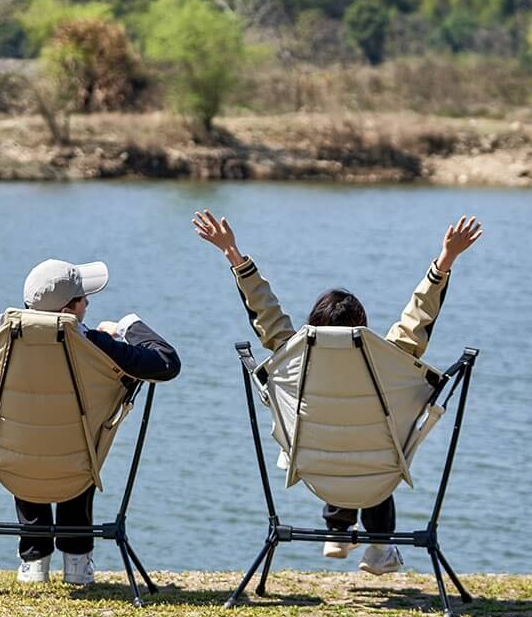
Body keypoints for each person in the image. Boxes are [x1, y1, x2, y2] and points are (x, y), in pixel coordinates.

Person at [192, 209, 481, 575]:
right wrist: (446, 259)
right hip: (378, 472)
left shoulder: (292, 356)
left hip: (316, 470)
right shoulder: (390, 361)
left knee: (340, 437)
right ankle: (379, 549)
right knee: (380, 442)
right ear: (363, 325)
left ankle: (338, 528)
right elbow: (417, 318)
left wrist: (232, 252)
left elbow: (266, 312)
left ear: (313, 323)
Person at [0, 258, 180, 585]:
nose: (88, 302)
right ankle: (77, 561)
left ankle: (34, 561)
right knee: (76, 436)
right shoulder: (95, 345)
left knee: (25, 431)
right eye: (84, 298)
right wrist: (127, 326)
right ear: (70, 309)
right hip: (76, 465)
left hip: (14, 465)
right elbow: (167, 363)